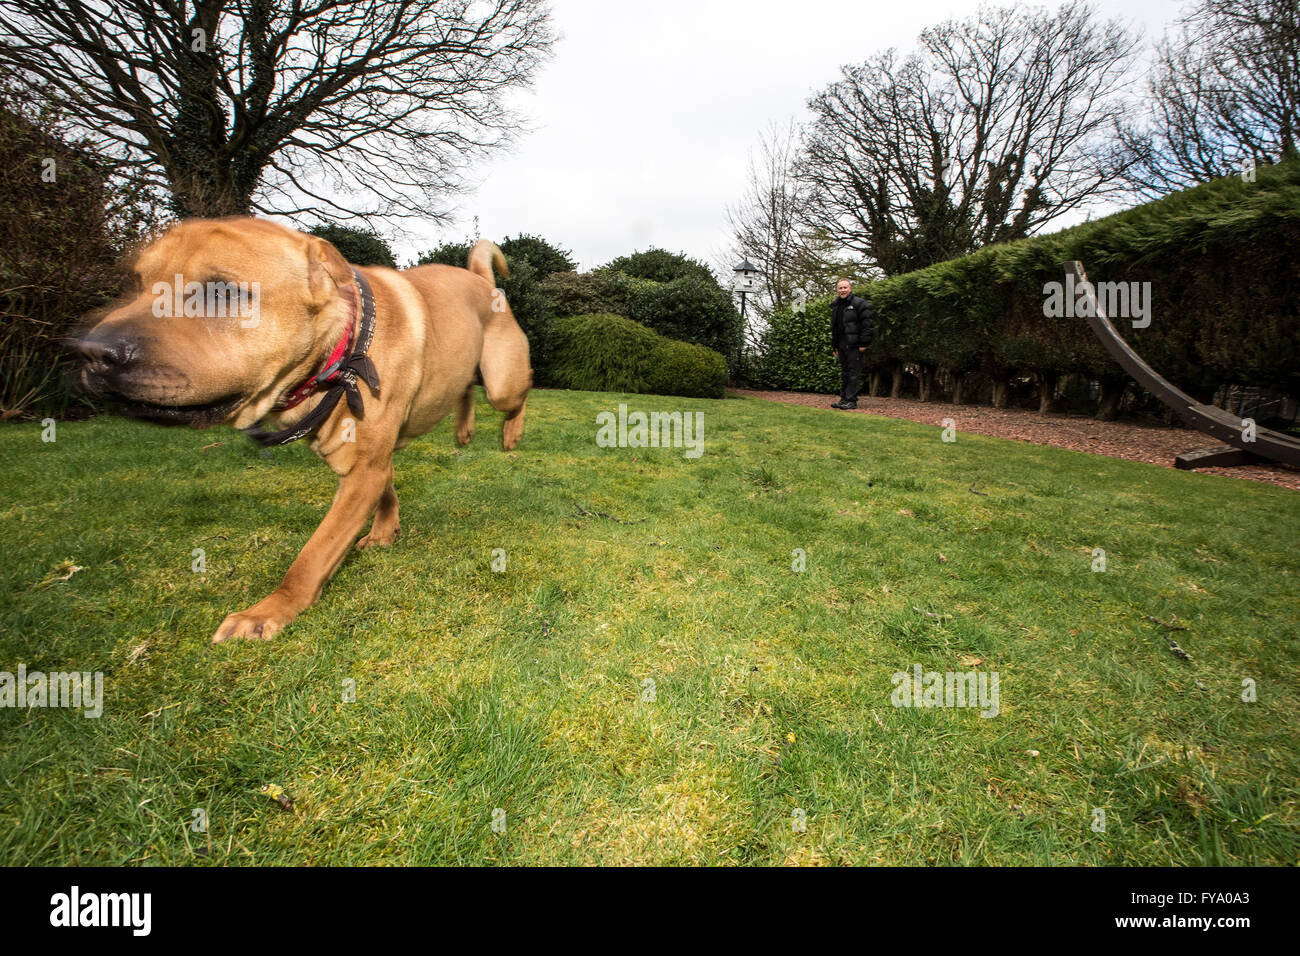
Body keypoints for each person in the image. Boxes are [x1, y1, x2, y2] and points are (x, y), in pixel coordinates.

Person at [829, 278, 873, 409]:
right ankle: (844, 399)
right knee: (845, 373)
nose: (843, 290)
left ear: (850, 288)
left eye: (845, 288)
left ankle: (851, 401)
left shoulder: (859, 303)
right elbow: (835, 327)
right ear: (837, 290)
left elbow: (868, 325)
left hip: (854, 345)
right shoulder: (836, 305)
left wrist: (864, 343)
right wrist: (835, 346)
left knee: (854, 373)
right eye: (840, 288)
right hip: (841, 345)